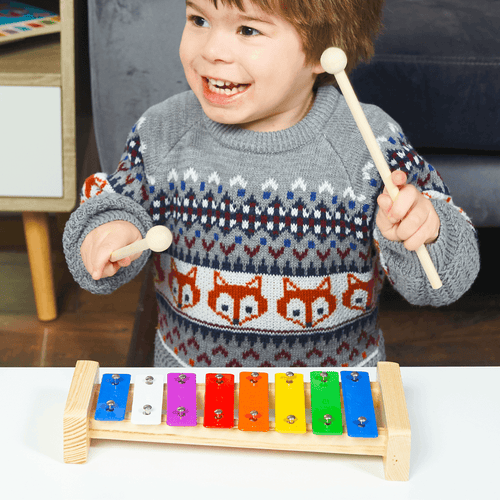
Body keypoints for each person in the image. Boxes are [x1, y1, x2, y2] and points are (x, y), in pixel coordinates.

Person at [63, 0, 480, 367]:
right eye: (198, 19)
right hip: (192, 398)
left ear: (324, 48)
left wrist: (428, 230)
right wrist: (110, 230)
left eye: (247, 29)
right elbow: (114, 209)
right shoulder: (162, 130)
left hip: (330, 404)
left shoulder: (371, 143)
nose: (211, 51)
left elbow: (440, 283)